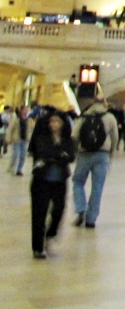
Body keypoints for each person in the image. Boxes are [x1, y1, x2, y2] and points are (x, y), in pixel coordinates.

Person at [28, 109, 75, 259]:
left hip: (60, 181)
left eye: (57, 121)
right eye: (51, 121)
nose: (54, 124)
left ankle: (50, 234)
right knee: (39, 214)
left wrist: (53, 156)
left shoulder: (67, 139)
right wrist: (59, 155)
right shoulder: (41, 137)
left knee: (59, 210)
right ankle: (38, 247)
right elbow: (43, 153)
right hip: (41, 181)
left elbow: (70, 157)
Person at [71, 95, 119, 229]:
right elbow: (115, 138)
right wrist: (111, 153)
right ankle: (91, 219)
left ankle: (81, 209)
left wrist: (76, 150)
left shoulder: (83, 117)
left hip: (84, 153)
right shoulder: (109, 117)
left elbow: (74, 135)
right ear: (104, 103)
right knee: (97, 187)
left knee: (78, 181)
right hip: (102, 155)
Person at [7, 105, 28, 175]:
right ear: (21, 110)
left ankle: (19, 169)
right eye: (24, 110)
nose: (26, 111)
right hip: (17, 139)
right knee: (15, 154)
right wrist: (8, 138)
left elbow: (30, 130)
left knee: (23, 156)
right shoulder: (16, 119)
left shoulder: (28, 120)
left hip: (24, 140)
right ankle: (11, 167)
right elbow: (10, 129)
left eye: (26, 110)